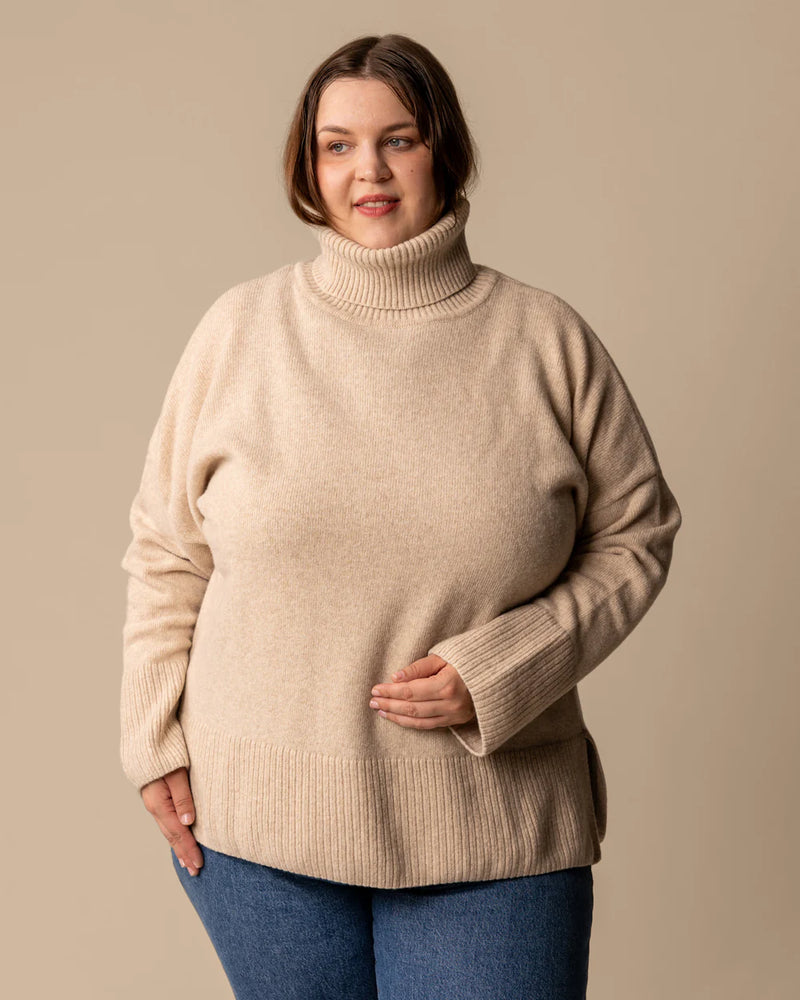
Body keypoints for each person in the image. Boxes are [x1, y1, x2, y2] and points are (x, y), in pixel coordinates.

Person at [119, 32, 682, 1000]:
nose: (368, 171)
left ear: (444, 151)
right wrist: (150, 738)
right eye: (336, 145)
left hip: (495, 823)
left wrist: (508, 664)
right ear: (308, 167)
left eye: (399, 139)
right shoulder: (240, 331)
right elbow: (168, 551)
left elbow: (638, 536)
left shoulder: (544, 339)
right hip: (257, 823)